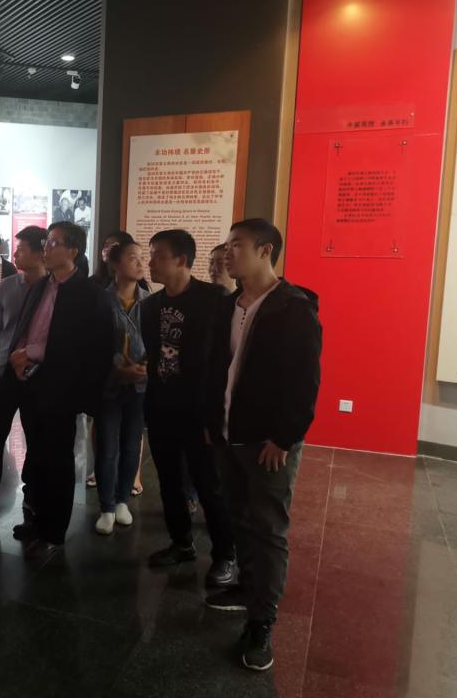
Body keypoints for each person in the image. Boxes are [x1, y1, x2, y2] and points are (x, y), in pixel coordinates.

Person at [203, 219, 322, 672]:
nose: (227, 254)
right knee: (239, 519)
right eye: (227, 246)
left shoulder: (293, 308)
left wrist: (284, 438)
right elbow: (217, 368)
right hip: (228, 434)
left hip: (268, 442)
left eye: (237, 246)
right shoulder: (230, 304)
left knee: (269, 529)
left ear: (266, 250)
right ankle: (247, 588)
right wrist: (212, 422)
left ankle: (262, 620)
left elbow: (304, 382)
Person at [7, 221, 113, 548]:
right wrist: (18, 356)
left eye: (54, 243)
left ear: (73, 251)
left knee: (58, 459)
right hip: (31, 382)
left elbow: (96, 348)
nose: (46, 248)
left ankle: (53, 529)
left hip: (62, 388)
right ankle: (33, 518)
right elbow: (28, 327)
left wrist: (85, 395)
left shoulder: (89, 293)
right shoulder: (42, 285)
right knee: (36, 455)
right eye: (46, 243)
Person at [142, 230, 237, 585]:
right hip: (162, 408)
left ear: (182, 260)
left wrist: (217, 415)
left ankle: (226, 554)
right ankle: (181, 542)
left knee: (208, 484)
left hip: (200, 411)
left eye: (158, 255)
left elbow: (225, 360)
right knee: (168, 481)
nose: (150, 262)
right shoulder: (150, 306)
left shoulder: (215, 300)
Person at [0, 225, 47, 498]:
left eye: (21, 249)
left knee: (36, 436)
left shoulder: (52, 290)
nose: (15, 254)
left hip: (38, 374)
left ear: (39, 253)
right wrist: (9, 353)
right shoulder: (7, 287)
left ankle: (32, 491)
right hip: (5, 370)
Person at [93, 241, 148, 535]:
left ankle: (123, 499)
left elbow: (157, 342)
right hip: (109, 386)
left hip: (140, 386)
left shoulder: (149, 301)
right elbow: (91, 345)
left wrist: (144, 368)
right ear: (114, 264)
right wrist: (115, 369)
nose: (140, 263)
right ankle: (106, 506)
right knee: (107, 448)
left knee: (131, 446)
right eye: (132, 257)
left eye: (142, 257)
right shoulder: (100, 301)